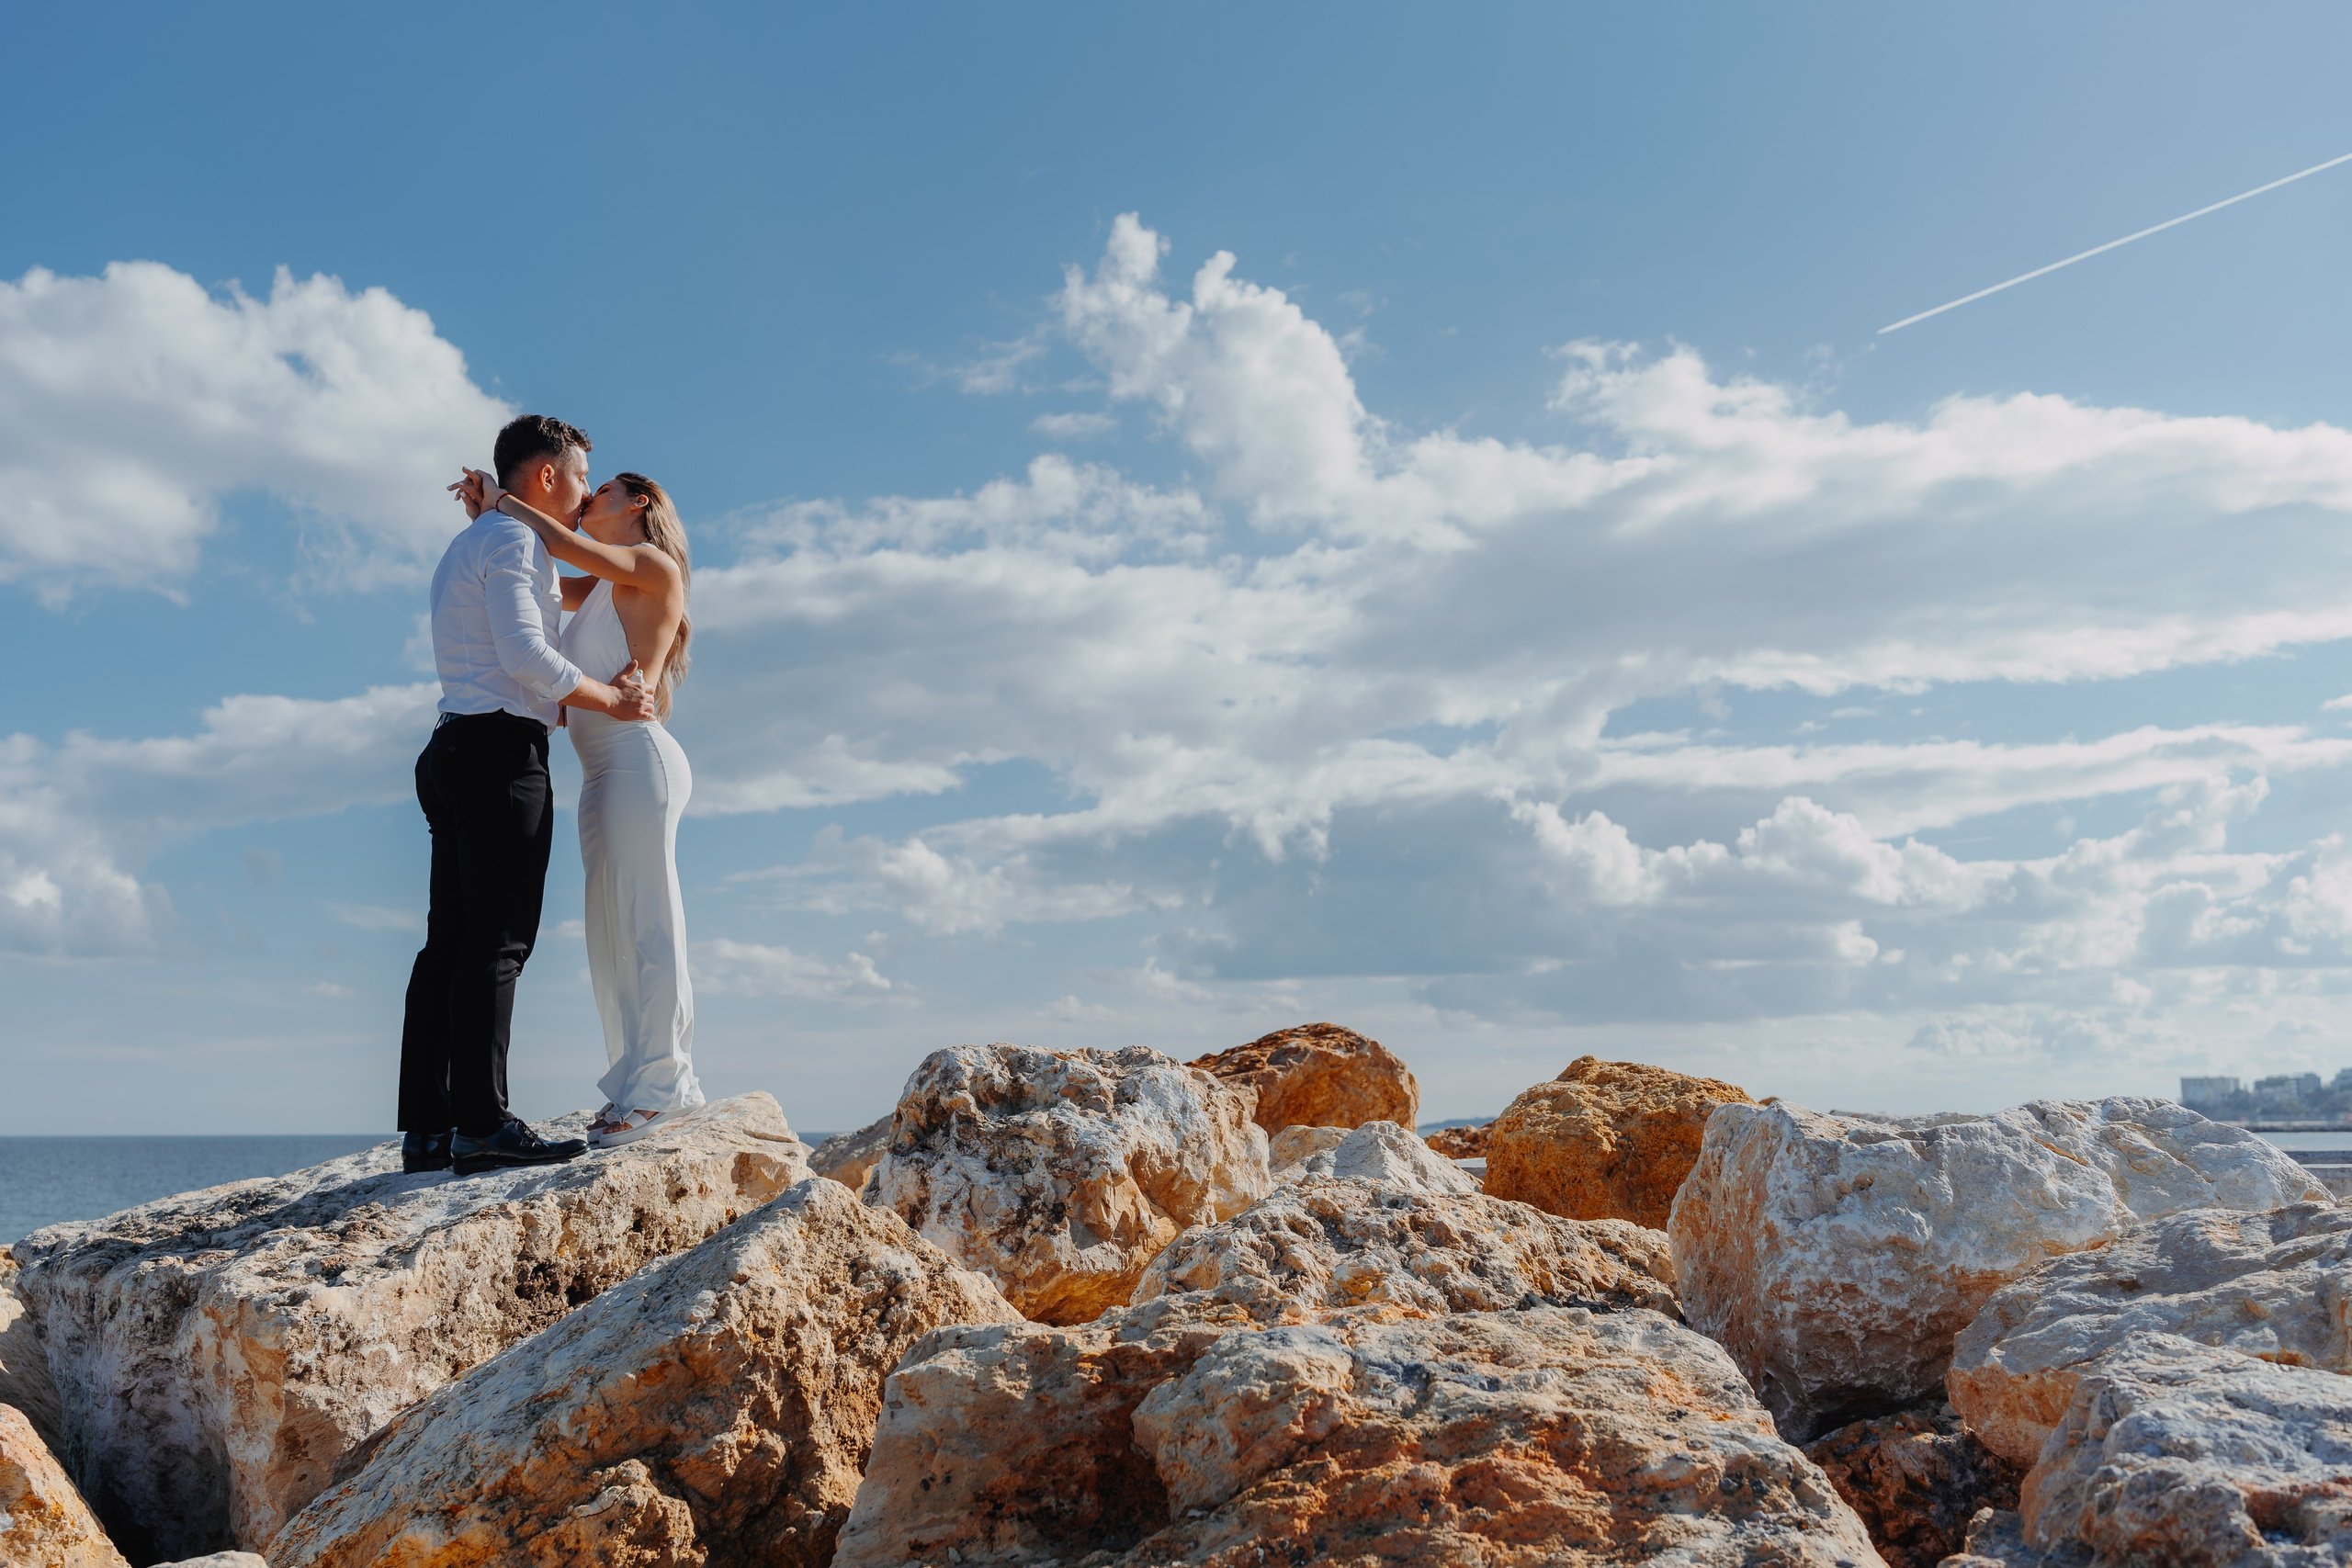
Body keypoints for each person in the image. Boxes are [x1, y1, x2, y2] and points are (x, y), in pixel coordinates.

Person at [400, 415, 658, 1177]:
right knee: (498, 942)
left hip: (451, 747)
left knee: (448, 942)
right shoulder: (514, 542)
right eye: (580, 477)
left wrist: (495, 509)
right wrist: (614, 702)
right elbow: (525, 655)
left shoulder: (475, 542)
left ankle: (429, 1126)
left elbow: (553, 603)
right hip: (498, 751)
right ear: (548, 475)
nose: (584, 494)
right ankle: (482, 1125)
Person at [453, 463, 703, 1148]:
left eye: (601, 492)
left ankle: (666, 1085)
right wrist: (489, 524)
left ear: (639, 502)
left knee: (650, 922)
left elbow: (562, 548)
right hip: (599, 773)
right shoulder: (599, 589)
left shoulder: (649, 563)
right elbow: (538, 580)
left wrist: (506, 502)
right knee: (612, 934)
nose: (586, 498)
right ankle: (633, 1081)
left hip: (638, 762)